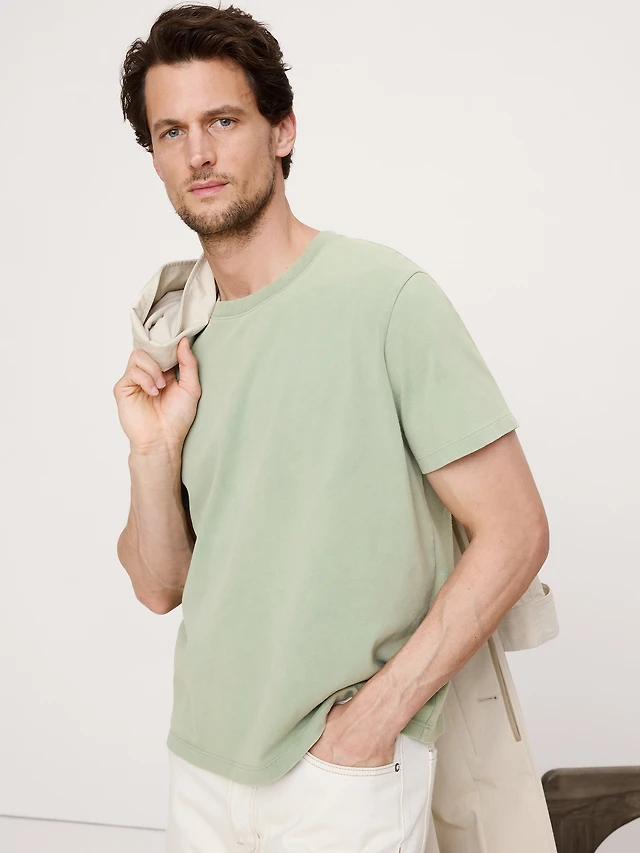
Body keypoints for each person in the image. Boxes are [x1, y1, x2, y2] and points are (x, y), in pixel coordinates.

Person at [113, 5, 550, 852]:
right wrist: (152, 451)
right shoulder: (179, 332)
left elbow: (516, 530)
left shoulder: (384, 298)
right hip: (202, 765)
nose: (198, 153)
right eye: (172, 132)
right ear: (156, 156)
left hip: (341, 776)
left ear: (282, 131)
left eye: (222, 121)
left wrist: (377, 720)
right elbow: (160, 585)